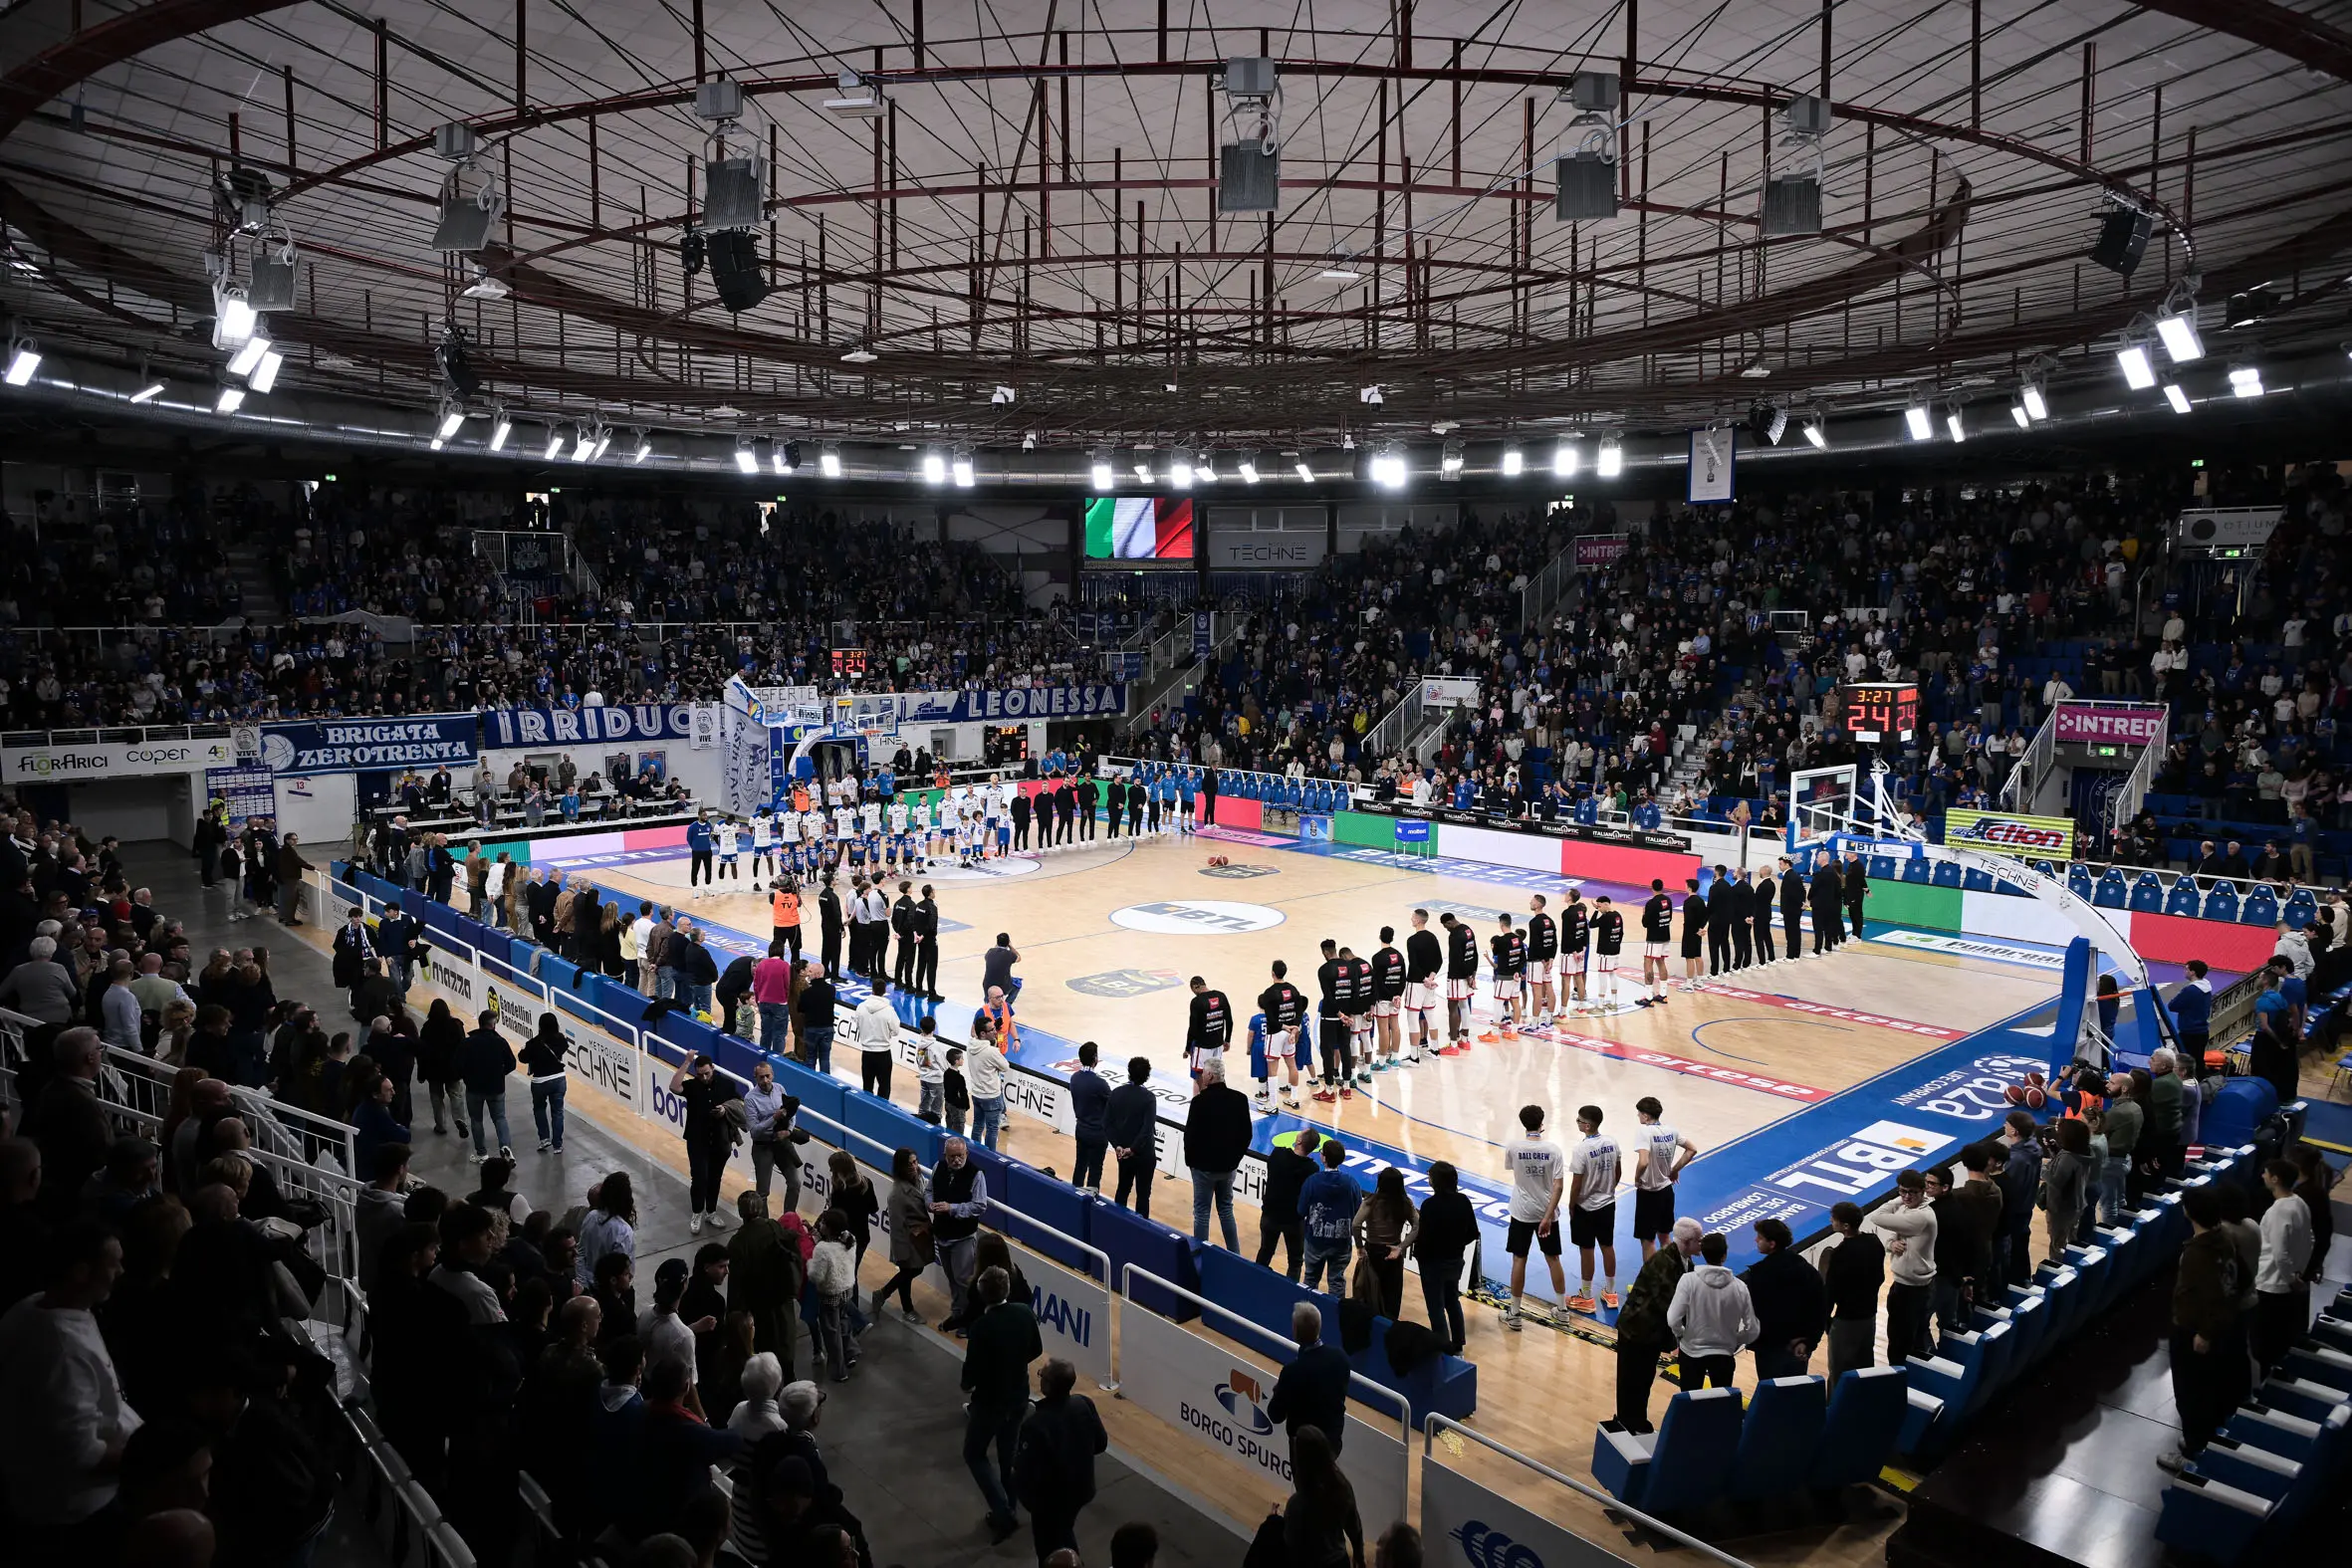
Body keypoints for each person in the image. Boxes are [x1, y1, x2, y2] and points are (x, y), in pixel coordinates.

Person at [0, 1218, 136, 1556]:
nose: (121, 1271)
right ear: (80, 1271)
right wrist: (147, 1458)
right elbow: (79, 1453)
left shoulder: (32, 1306)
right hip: (82, 1509)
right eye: (113, 1263)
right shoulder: (61, 1349)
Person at [2161, 1184, 2250, 1472]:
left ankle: (2193, 1450)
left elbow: (2212, 1294)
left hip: (2194, 1332)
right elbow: (2243, 1280)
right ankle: (2203, 1439)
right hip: (2220, 1327)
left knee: (2190, 1393)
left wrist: (2206, 1332)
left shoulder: (2199, 1253)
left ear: (2189, 1212)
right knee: (2208, 1389)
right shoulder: (2224, 1238)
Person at [960, 1264, 1043, 1544]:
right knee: (1008, 1455)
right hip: (1019, 1396)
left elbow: (970, 1372)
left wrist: (967, 1383)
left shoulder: (981, 1327)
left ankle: (1003, 1512)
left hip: (989, 1403)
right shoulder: (1024, 1312)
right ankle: (1010, 1503)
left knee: (974, 1454)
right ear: (1007, 1289)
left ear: (982, 1295)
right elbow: (1037, 1349)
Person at [1015, 1357, 1108, 1566]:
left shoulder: (1036, 1425)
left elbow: (1024, 1471)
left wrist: (1031, 1503)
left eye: (1042, 1375)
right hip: (1082, 1489)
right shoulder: (1083, 1403)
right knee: (1064, 1530)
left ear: (1047, 1384)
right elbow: (1101, 1443)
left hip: (1050, 1501)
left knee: (1049, 1548)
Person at [1614, 1217, 1701, 1433]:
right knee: (1631, 1380)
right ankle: (1627, 1421)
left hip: (1651, 1332)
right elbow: (1671, 1304)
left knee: (1643, 1379)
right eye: (1699, 1240)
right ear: (1687, 1242)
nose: (1702, 1244)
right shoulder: (1664, 1262)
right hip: (1637, 1331)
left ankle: (1636, 1419)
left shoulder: (1685, 1262)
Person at [1502, 1103, 1566, 1330]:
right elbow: (1558, 1187)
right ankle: (1562, 1310)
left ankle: (1515, 1313)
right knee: (1553, 1258)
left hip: (1521, 1211)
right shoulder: (1554, 1150)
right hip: (1547, 1211)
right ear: (1542, 1122)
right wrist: (1548, 1217)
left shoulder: (1513, 1147)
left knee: (1519, 1259)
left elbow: (1515, 1171)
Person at [1665, 1232, 1756, 1389]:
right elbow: (1752, 1329)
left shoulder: (1688, 1281)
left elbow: (1673, 1319)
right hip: (1724, 1354)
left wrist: (1682, 1335)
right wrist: (1736, 1340)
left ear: (1703, 1254)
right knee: (1720, 1404)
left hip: (1691, 1352)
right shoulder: (1740, 1287)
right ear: (1724, 1255)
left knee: (1690, 1402)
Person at [1867, 1170, 1939, 1364]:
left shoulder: (1920, 1216)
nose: (1906, 1197)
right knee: (1907, 1335)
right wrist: (1891, 1244)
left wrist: (1898, 1200)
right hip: (1905, 1284)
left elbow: (1877, 1216)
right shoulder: (1911, 1211)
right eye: (1902, 1191)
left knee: (1901, 1341)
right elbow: (1895, 1234)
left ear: (1923, 1191)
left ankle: (1899, 1378)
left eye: (1912, 1192)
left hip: (1913, 1288)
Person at [1267, 1426, 1364, 1568]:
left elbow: (1290, 1544)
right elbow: (1355, 1527)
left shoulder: (1297, 1504)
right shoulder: (1342, 1488)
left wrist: (1273, 1520)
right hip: (1339, 1562)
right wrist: (1358, 1554)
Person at [1741, 1218, 1826, 1380]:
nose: (1755, 1240)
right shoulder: (1807, 1270)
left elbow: (1753, 1312)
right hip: (1798, 1346)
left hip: (1769, 1348)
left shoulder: (1760, 1275)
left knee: (1772, 1395)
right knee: (1795, 1394)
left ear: (1772, 1244)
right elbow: (1819, 1310)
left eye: (1759, 1237)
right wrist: (1809, 1342)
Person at [1267, 1300, 1352, 1459]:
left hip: (1305, 1449)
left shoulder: (1293, 1371)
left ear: (1295, 1331)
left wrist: (1279, 1391)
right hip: (1333, 1442)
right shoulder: (1340, 1358)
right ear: (1319, 1327)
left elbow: (1275, 1415)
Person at [726, 1190, 802, 1368]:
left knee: (765, 1349)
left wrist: (733, 1316)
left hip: (758, 1304)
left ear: (740, 1212)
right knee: (785, 1341)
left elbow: (735, 1284)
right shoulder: (774, 1227)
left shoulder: (738, 1242)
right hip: (781, 1298)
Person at [1184, 1057, 1253, 1251]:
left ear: (1211, 1076)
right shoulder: (1240, 1099)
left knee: (1202, 1213)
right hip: (1228, 1167)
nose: (1201, 1076)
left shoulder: (1199, 1102)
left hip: (1203, 1169)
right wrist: (1235, 1160)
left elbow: (1190, 1136)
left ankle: (1201, 1254)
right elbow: (1246, 1135)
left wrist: (1192, 1163)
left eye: (1204, 1073)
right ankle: (1235, 1254)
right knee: (1225, 1210)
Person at [2251, 1158, 2313, 1372]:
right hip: (2286, 1282)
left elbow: (2279, 1252)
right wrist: (2299, 1274)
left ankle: (2259, 1386)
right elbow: (2309, 1240)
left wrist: (2291, 1278)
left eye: (2266, 1173)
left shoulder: (2278, 1211)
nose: (2263, 1176)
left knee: (2262, 1340)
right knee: (2276, 1335)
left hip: (2270, 1283)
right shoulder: (2299, 1203)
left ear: (2275, 1179)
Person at [670, 1054, 741, 1233]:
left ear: (713, 1069)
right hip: (697, 1140)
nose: (704, 1078)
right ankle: (697, 1212)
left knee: (715, 1178)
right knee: (699, 1178)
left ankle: (711, 1211)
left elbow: (738, 1103)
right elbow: (674, 1086)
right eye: (700, 1074)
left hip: (720, 1140)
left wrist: (725, 1110)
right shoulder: (692, 1086)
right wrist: (687, 1061)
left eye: (707, 1074)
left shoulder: (727, 1084)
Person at [1412, 1161, 1477, 1356]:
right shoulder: (1464, 1201)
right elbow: (1473, 1232)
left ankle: (1443, 1348)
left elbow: (1424, 1238)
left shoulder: (1429, 1206)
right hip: (1455, 1261)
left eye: (1430, 1177)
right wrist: (1456, 1246)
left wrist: (1419, 1257)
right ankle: (1458, 1346)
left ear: (1436, 1181)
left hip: (1432, 1264)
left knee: (1436, 1307)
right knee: (1452, 1301)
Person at [1821, 1202, 1887, 1382]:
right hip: (1869, 1314)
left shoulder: (1841, 1254)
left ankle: (1836, 1408)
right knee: (1865, 1365)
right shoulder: (1874, 1241)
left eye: (1834, 1219)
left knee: (1840, 1371)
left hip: (1847, 1319)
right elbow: (1880, 1277)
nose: (1831, 1221)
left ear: (1845, 1226)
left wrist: (1826, 1320)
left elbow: (1831, 1291)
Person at [1566, 1103, 1622, 1312]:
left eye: (1579, 1120)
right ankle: (1611, 1292)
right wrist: (1608, 1190)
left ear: (1588, 1126)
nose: (1577, 1123)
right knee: (1607, 1246)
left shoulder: (1581, 1150)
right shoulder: (1612, 1142)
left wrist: (1572, 1206)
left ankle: (1586, 1296)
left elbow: (1576, 1184)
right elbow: (1618, 1173)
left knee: (1586, 1250)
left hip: (1586, 1207)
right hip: (1608, 1203)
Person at [1629, 1096, 1698, 1262]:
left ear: (1645, 1116)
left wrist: (1637, 1179)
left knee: (1647, 1240)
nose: (1638, 1117)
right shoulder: (1671, 1130)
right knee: (1665, 1238)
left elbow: (1643, 1161)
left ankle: (1651, 1283)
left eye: (1639, 1114)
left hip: (1649, 1193)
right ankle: (1673, 1276)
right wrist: (1674, 1170)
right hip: (1666, 1191)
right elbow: (1692, 1149)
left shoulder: (1644, 1132)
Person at [930, 1138, 988, 1328]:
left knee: (964, 1282)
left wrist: (952, 1208)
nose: (956, 1160)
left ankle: (969, 1320)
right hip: (941, 1234)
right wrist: (929, 1203)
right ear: (945, 1156)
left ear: (967, 1154)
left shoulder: (976, 1175)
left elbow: (980, 1205)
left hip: (963, 1237)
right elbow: (928, 1191)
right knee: (952, 1279)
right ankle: (957, 1314)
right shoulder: (938, 1167)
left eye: (960, 1156)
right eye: (952, 1156)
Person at [1297, 1137, 1361, 1294]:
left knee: (1310, 1279)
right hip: (1341, 1241)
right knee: (1337, 1281)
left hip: (1315, 1240)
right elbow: (1358, 1212)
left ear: (1323, 1157)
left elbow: (1300, 1210)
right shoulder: (1351, 1183)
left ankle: (1307, 1315)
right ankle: (1336, 1317)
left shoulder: (1312, 1181)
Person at [1353, 1168, 1417, 1320]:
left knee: (1368, 1296)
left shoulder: (1370, 1201)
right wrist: (1401, 1247)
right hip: (1393, 1252)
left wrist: (1360, 1247)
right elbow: (1417, 1226)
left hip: (1372, 1252)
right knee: (1391, 1298)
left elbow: (1356, 1225)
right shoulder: (1405, 1203)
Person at [877, 1147, 931, 1326]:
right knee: (909, 1271)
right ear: (901, 1167)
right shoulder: (897, 1195)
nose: (914, 1166)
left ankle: (883, 1293)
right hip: (908, 1241)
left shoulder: (920, 1180)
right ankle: (907, 1309)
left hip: (919, 1238)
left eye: (915, 1162)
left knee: (913, 1270)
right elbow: (896, 1227)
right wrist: (902, 1254)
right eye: (909, 1164)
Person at [742, 1059, 802, 1214]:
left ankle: (788, 1220)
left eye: (767, 1076)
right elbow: (754, 1131)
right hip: (763, 1146)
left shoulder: (780, 1089)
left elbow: (791, 1113)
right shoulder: (750, 1099)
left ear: (772, 1075)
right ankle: (766, 1228)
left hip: (782, 1143)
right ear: (755, 1078)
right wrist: (774, 1118)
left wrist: (788, 1131)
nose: (765, 1080)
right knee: (762, 1193)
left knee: (795, 1183)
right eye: (761, 1077)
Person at [459, 1008, 517, 1162]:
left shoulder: (468, 1042)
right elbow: (512, 1064)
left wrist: (467, 1077)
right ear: (493, 1025)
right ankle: (506, 1148)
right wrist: (499, 1074)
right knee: (500, 1118)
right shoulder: (500, 1042)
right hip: (496, 1088)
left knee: (476, 1120)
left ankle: (481, 1154)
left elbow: (458, 1065)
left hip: (474, 1089)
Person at [1105, 1055, 1159, 1217]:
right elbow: (1147, 1129)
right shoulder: (1149, 1098)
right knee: (1143, 1195)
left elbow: (1107, 1123)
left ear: (1128, 1072)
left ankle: (1116, 1224)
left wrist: (1117, 1146)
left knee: (1122, 1189)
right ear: (1147, 1076)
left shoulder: (1116, 1093)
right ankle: (1142, 1235)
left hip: (1123, 1154)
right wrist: (1133, 1149)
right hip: (1143, 1155)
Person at [520, 1010, 569, 1155]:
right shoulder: (560, 1039)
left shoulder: (533, 1043)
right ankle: (558, 1145)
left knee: (539, 1109)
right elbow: (564, 1047)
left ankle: (544, 1138)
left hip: (540, 1082)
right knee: (558, 1112)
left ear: (540, 1025)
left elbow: (522, 1058)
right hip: (559, 1079)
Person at [1067, 1041, 1110, 1192]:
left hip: (1081, 1129)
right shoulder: (1100, 1084)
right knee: (1095, 1169)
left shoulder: (1074, 1078)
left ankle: (1074, 1197)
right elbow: (1111, 1105)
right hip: (1098, 1133)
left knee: (1080, 1165)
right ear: (1095, 1059)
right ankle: (1091, 1203)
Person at [853, 978, 896, 1098]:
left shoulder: (861, 1007)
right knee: (884, 1086)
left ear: (872, 990)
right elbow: (896, 1030)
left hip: (867, 1053)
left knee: (867, 1086)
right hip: (883, 1053)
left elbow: (858, 1024)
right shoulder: (889, 1010)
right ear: (884, 991)